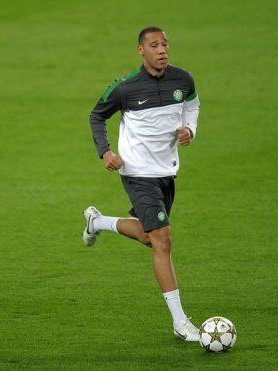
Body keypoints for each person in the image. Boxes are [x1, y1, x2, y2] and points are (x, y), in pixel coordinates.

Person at [84, 26, 200, 341]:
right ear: (141, 50)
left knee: (150, 238)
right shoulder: (125, 88)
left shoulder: (183, 79)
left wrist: (189, 129)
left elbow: (191, 105)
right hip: (137, 173)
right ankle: (180, 322)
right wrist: (105, 151)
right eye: (154, 45)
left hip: (167, 172)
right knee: (163, 240)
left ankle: (97, 222)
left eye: (165, 44)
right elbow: (97, 115)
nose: (162, 50)